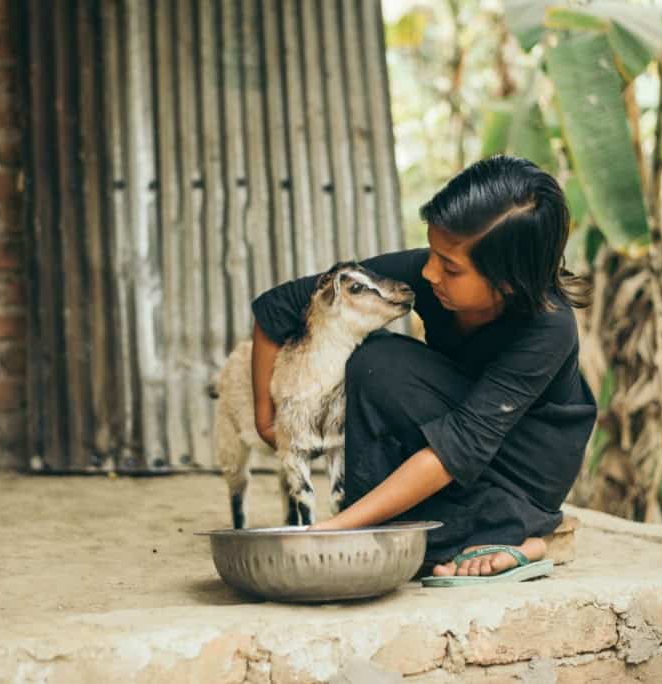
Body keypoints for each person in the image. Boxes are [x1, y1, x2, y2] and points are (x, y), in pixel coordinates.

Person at [249, 155, 598, 582]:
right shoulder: (431, 274)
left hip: (519, 475)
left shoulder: (549, 328)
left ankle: (531, 533)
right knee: (375, 361)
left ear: (507, 282)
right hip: (456, 440)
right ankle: (468, 535)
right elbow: (277, 307)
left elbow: (460, 446)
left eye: (451, 267)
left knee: (393, 546)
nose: (430, 272)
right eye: (433, 251)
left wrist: (333, 531)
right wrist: (268, 420)